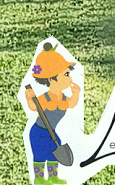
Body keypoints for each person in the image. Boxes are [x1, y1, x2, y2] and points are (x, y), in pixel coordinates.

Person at [22, 42, 80, 185]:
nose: (70, 78)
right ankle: (40, 178)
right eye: (66, 74)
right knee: (40, 154)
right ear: (51, 78)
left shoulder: (62, 98)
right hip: (39, 132)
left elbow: (71, 104)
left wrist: (76, 93)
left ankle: (53, 176)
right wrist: (29, 97)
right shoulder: (45, 98)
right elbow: (34, 108)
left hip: (51, 131)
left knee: (54, 151)